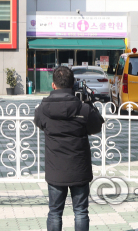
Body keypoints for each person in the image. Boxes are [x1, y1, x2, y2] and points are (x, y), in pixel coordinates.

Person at [34, 66, 92, 231]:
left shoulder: (43, 109)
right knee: (81, 211)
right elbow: (96, 126)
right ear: (73, 84)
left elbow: (39, 123)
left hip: (55, 170)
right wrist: (89, 103)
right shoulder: (82, 108)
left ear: (53, 85)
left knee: (54, 212)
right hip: (79, 169)